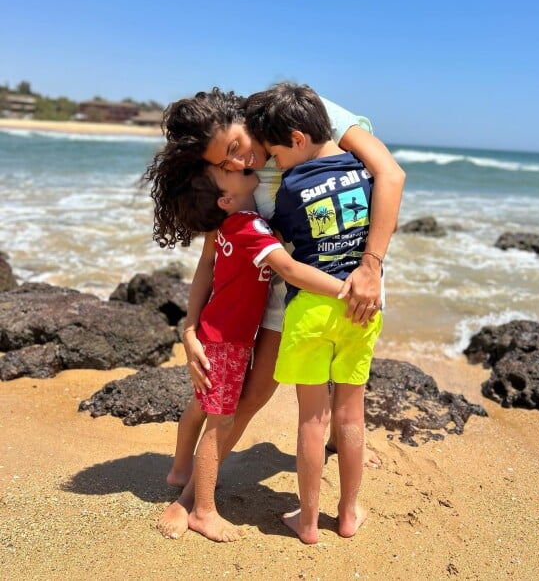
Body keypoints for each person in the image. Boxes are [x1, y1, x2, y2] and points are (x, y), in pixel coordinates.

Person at [148, 86, 405, 539]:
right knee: (253, 397)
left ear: (241, 117)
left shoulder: (292, 116)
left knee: (341, 402)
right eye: (223, 164)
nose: (237, 164)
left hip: (348, 276)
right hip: (284, 292)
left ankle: (339, 461)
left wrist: (370, 267)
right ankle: (191, 497)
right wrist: (190, 329)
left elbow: (390, 175)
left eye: (235, 148)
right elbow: (212, 253)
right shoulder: (230, 179)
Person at [150, 153, 347, 542]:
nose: (240, 164)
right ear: (225, 199)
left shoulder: (228, 224)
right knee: (220, 420)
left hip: (219, 331)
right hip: (228, 340)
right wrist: (344, 288)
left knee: (202, 406)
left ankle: (178, 470)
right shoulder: (249, 226)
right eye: (229, 171)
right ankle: (203, 511)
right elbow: (288, 270)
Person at [244, 82, 382, 543]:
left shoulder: (289, 190)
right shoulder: (364, 171)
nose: (272, 164)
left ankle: (306, 523)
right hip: (363, 307)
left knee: (311, 419)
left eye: (274, 154)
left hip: (308, 312)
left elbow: (282, 240)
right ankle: (347, 515)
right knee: (351, 416)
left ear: (298, 139)